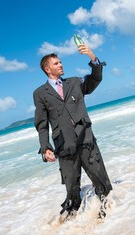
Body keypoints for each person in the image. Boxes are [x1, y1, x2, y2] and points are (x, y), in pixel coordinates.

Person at [33, 44, 112, 219]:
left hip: (86, 140)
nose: (61, 65)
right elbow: (42, 123)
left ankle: (108, 218)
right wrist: (45, 147)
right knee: (72, 192)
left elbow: (94, 80)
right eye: (56, 63)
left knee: (101, 182)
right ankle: (70, 228)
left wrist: (93, 58)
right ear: (47, 69)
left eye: (60, 62)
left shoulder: (75, 82)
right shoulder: (40, 93)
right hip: (64, 146)